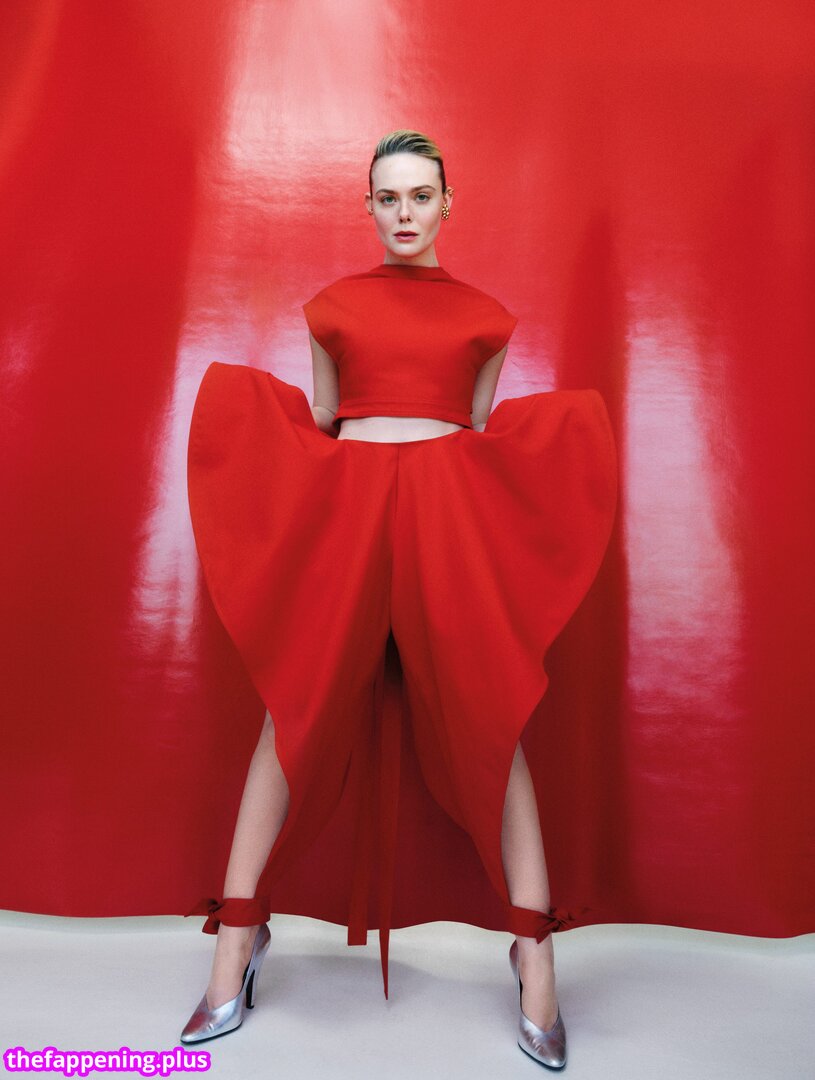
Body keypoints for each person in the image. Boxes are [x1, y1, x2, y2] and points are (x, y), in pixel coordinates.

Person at [179, 129, 618, 1070]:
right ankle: (235, 945)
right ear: (369, 206)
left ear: (447, 203)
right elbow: (324, 422)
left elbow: (477, 432)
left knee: (492, 720)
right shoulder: (332, 307)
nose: (405, 212)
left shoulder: (486, 318)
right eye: (388, 197)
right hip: (349, 520)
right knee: (290, 718)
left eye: (421, 195)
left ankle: (535, 957)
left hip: (444, 524)